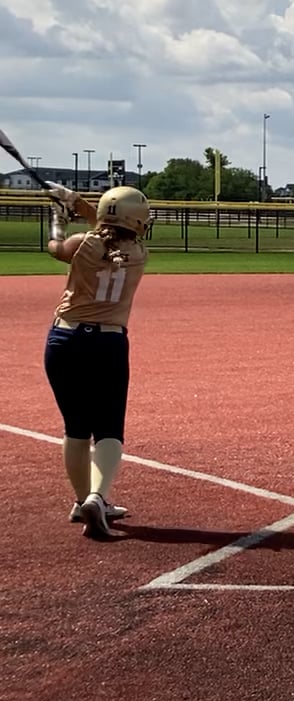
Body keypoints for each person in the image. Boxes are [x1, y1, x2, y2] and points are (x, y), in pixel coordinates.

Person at [42, 184, 151, 539]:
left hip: (64, 340)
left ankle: (81, 500)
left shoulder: (81, 244)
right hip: (107, 344)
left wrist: (59, 217)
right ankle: (97, 497)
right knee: (108, 428)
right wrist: (77, 202)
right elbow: (110, 230)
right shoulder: (138, 253)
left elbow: (56, 247)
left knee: (75, 427)